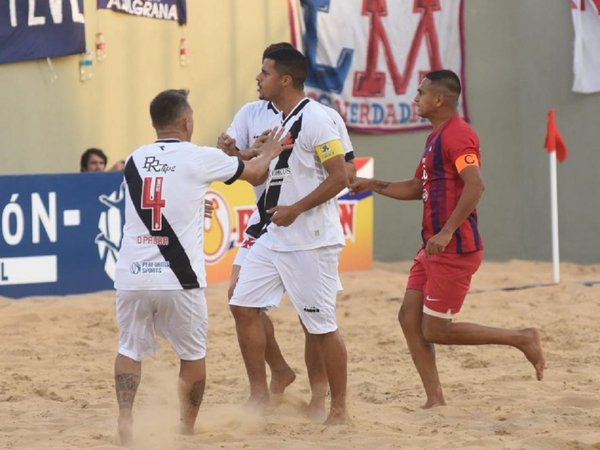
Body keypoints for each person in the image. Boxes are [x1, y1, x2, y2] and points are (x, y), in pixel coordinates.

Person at [349, 70, 546, 408]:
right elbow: (416, 188)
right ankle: (435, 400)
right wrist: (373, 185)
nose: (416, 99)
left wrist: (447, 230)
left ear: (439, 100)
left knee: (436, 330)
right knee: (408, 319)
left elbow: (476, 184)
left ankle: (522, 338)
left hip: (454, 247)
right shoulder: (434, 138)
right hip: (432, 247)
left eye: (421, 93)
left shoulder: (458, 136)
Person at [112, 88, 285, 446]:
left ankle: (126, 421)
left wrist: (193, 208)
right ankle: (186, 430)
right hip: (179, 278)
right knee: (192, 356)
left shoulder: (133, 159)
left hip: (131, 274)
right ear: (187, 121)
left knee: (129, 349)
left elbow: (155, 205)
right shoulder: (199, 157)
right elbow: (255, 175)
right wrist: (269, 151)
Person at [218, 42, 356, 420]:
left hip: (310, 239)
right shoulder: (258, 114)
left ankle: (336, 407)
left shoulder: (316, 118)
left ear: (285, 79)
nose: (257, 78)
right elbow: (239, 164)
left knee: (319, 324)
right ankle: (262, 393)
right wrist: (237, 152)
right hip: (271, 232)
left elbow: (342, 176)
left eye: (264, 72)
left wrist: (296, 208)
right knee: (241, 305)